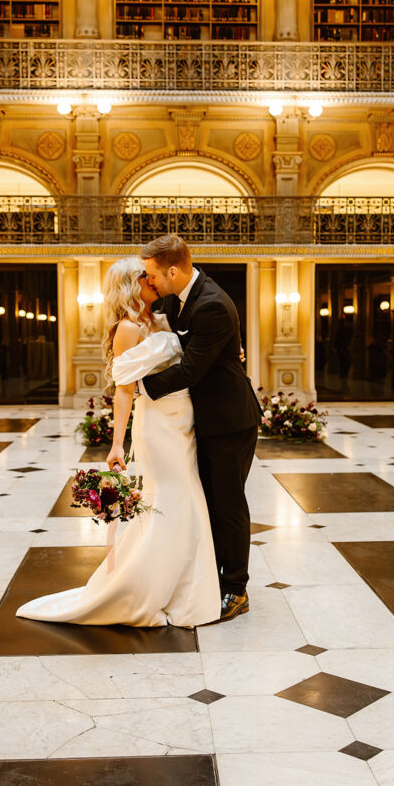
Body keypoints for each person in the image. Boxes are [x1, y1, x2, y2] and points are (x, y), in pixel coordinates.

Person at [16, 256, 221, 628]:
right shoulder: (127, 328)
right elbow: (124, 391)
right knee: (172, 501)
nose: (154, 281)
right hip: (157, 425)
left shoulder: (162, 317)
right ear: (131, 285)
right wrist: (116, 445)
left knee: (188, 500)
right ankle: (145, 588)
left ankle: (181, 586)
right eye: (146, 277)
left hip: (183, 422)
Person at [138, 235, 262, 622]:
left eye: (152, 274)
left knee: (228, 504)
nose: (150, 281)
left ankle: (236, 590)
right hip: (206, 417)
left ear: (172, 270)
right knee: (207, 500)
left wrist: (136, 386)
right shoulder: (180, 299)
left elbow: (192, 369)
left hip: (229, 420)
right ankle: (212, 578)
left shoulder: (211, 304)